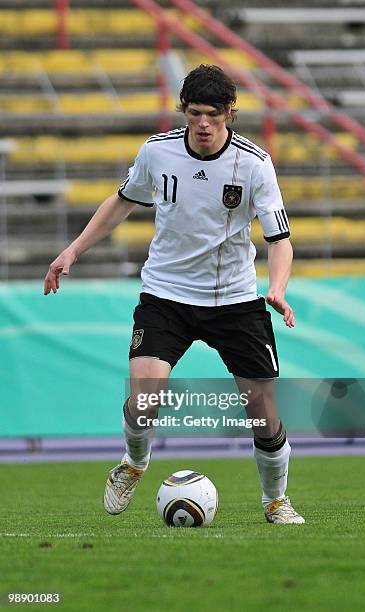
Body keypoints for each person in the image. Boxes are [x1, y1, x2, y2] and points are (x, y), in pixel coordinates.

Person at [44, 64, 304, 525]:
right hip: (166, 294)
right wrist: (74, 249)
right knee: (145, 399)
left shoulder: (255, 163)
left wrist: (277, 289)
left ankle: (276, 500)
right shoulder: (157, 153)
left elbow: (279, 238)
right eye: (195, 114)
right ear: (184, 111)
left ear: (230, 113)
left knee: (263, 414)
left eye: (213, 115)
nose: (203, 124)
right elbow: (123, 201)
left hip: (236, 301)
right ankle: (133, 463)